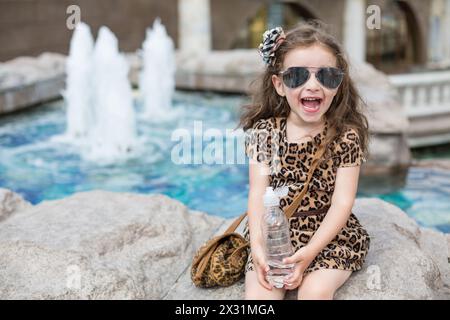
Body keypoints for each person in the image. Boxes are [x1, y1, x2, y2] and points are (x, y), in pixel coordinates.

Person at [239, 21, 370, 300]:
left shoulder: (345, 137)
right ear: (279, 84)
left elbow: (342, 202)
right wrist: (258, 247)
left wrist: (309, 254)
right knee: (259, 298)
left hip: (328, 238)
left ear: (338, 84)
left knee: (315, 293)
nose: (313, 85)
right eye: (298, 76)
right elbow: (257, 193)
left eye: (326, 76)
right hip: (276, 233)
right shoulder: (265, 133)